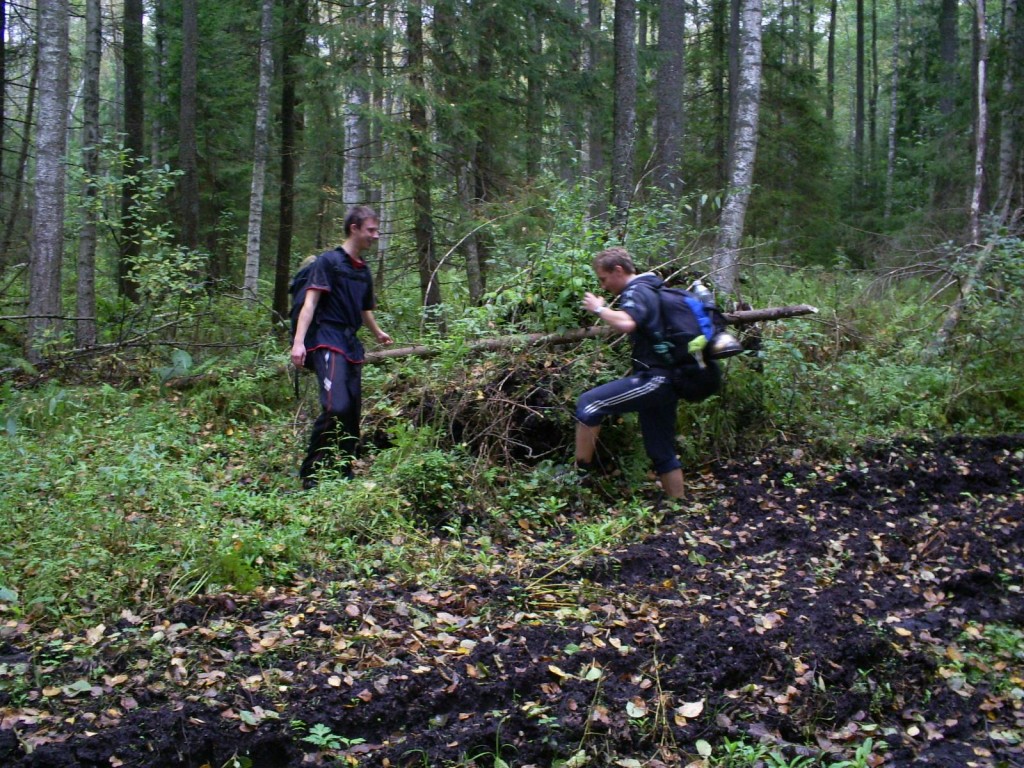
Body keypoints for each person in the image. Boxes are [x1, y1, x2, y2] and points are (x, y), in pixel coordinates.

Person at [574, 247, 720, 499]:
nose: (604, 286)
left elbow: (627, 322)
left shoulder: (637, 290)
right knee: (661, 449)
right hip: (672, 376)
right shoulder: (652, 288)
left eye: (603, 279)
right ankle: (680, 507)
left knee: (589, 404)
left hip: (657, 379)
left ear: (618, 270)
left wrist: (599, 309)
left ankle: (577, 478)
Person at [291, 205, 393, 489]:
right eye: (371, 230)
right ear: (355, 229)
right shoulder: (328, 262)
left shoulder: (363, 270)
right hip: (326, 339)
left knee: (351, 413)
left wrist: (377, 332)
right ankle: (311, 474)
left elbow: (364, 308)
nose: (376, 235)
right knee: (337, 406)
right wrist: (299, 343)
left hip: (351, 344)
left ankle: (342, 471)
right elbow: (310, 303)